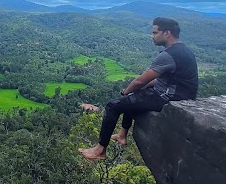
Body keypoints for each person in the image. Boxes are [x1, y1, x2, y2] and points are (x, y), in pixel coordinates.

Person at [79, 17, 198, 160]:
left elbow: (140, 80)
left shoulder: (168, 55)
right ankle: (122, 135)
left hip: (170, 98)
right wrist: (135, 90)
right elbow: (165, 81)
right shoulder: (182, 50)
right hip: (179, 94)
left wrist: (126, 92)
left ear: (167, 33)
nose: (152, 36)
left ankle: (100, 150)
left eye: (155, 32)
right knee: (133, 95)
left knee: (113, 106)